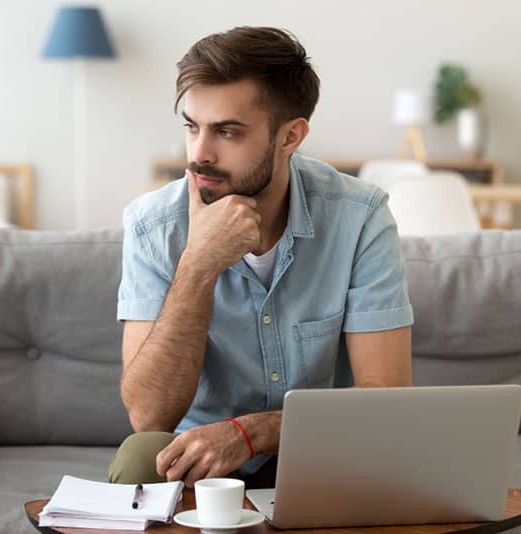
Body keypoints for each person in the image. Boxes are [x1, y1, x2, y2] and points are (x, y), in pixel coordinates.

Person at [108, 26, 413, 489]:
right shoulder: (154, 226)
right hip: (198, 459)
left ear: (290, 137)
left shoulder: (359, 218)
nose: (199, 154)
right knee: (139, 457)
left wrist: (252, 433)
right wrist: (199, 263)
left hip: (321, 448)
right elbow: (149, 417)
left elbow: (386, 396)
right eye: (192, 127)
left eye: (226, 132)